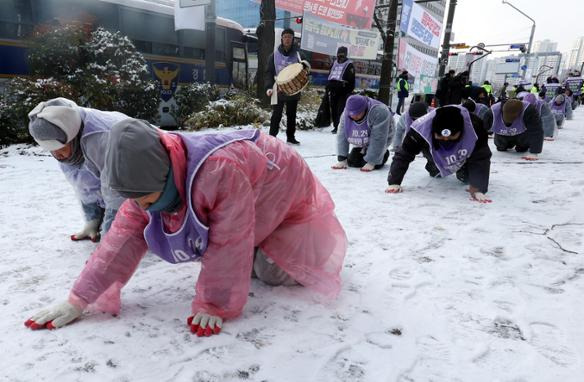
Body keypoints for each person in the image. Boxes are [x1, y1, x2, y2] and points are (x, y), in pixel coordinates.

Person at [24, 120, 347, 335]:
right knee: (239, 251)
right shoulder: (145, 179)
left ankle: (308, 249)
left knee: (269, 271)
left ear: (161, 180)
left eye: (146, 200)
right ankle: (260, 246)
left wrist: (214, 303)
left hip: (280, 185)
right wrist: (79, 298)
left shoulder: (218, 172)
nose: (142, 208)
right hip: (246, 184)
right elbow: (120, 240)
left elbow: (228, 241)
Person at [27, 97, 130, 242]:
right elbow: (82, 182)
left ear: (72, 137)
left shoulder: (102, 137)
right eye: (51, 150)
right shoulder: (63, 130)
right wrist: (92, 220)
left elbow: (116, 190)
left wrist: (110, 234)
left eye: (60, 149)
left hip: (153, 170)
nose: (57, 155)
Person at [386, 105, 492, 203]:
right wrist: (394, 182)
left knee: (466, 179)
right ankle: (434, 164)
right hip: (434, 152)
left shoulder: (475, 126)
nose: (446, 140)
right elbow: (404, 154)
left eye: (451, 138)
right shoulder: (419, 129)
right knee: (436, 172)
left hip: (463, 152)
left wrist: (478, 188)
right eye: (441, 137)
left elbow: (481, 157)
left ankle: (463, 167)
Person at [265, 28, 309, 145]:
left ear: (293, 39)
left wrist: (305, 68)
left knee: (291, 114)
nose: (287, 39)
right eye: (285, 37)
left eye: (290, 37)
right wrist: (269, 87)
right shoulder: (274, 55)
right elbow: (269, 72)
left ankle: (290, 137)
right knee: (276, 114)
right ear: (281, 38)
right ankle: (272, 137)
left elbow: (306, 70)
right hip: (278, 88)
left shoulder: (299, 54)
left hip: (293, 89)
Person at [332, 95, 394, 171]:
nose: (354, 116)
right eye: (351, 114)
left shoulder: (380, 111)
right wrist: (342, 158)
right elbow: (342, 135)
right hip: (363, 139)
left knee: (376, 164)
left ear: (364, 109)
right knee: (353, 162)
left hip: (382, 137)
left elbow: (379, 138)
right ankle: (364, 151)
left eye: (357, 113)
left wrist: (371, 162)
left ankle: (384, 153)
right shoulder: (346, 113)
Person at [326, 46, 356, 134]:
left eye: (342, 54)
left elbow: (351, 80)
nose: (340, 56)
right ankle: (336, 126)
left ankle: (340, 127)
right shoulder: (334, 63)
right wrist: (328, 86)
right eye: (339, 54)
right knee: (334, 109)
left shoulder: (349, 65)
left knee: (341, 110)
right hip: (333, 90)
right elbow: (330, 75)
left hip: (343, 92)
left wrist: (348, 91)